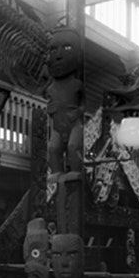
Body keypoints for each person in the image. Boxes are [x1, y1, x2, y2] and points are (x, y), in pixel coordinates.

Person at [45, 27, 84, 179]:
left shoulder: (77, 84)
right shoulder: (51, 88)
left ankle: (76, 171)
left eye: (67, 48)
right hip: (58, 126)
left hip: (74, 124)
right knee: (53, 148)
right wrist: (50, 109)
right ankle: (56, 172)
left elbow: (84, 104)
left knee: (73, 147)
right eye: (54, 50)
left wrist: (78, 112)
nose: (59, 55)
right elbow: (50, 105)